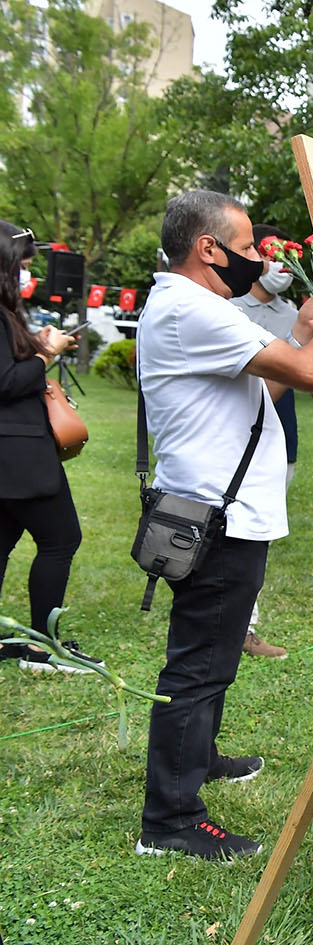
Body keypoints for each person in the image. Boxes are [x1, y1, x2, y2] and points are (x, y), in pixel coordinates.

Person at [135, 190, 313, 859]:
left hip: (218, 516)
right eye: (249, 246)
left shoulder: (198, 309)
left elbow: (271, 388)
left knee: (215, 657)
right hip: (211, 519)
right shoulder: (187, 308)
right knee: (198, 666)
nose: (258, 259)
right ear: (207, 247)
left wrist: (309, 329)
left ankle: (195, 759)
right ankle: (169, 820)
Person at [230, 223, 313, 660]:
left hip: (279, 435)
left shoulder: (292, 313)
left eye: (285, 257)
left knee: (256, 534)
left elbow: (306, 371)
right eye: (267, 255)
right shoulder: (229, 310)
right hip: (238, 438)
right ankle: (243, 626)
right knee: (242, 532)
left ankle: (239, 618)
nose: (279, 267)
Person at [0, 221, 105, 673]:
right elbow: (5, 383)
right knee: (61, 539)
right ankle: (45, 648)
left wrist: (37, 346)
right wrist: (46, 356)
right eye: (23, 266)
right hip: (19, 452)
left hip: (12, 450)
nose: (28, 275)